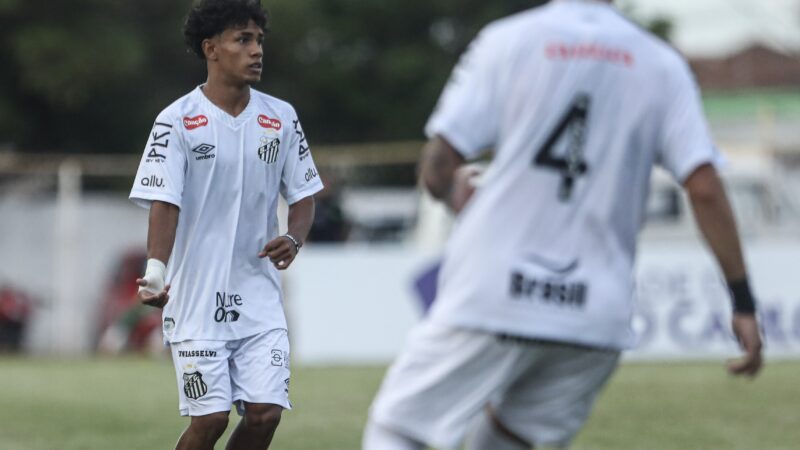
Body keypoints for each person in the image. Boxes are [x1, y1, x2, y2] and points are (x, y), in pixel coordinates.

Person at [363, 1, 763, 449]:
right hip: (595, 313)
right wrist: (743, 302)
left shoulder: (509, 39)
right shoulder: (661, 63)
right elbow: (704, 187)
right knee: (509, 440)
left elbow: (439, 166)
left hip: (496, 292)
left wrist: (451, 190)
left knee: (399, 430)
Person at [129, 1, 323, 448]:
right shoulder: (176, 120)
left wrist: (294, 237)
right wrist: (156, 271)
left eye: (259, 40)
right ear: (211, 48)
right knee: (211, 420)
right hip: (196, 299)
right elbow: (165, 203)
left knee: (265, 414)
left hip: (259, 298)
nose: (257, 50)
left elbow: (304, 194)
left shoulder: (281, 117)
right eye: (243, 40)